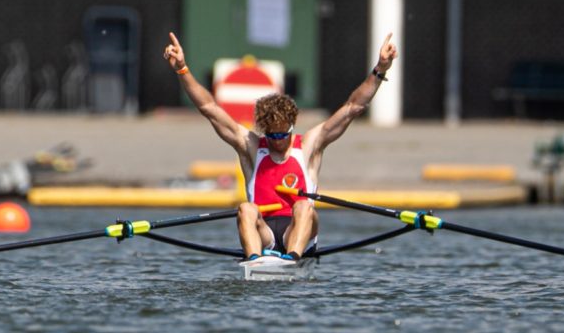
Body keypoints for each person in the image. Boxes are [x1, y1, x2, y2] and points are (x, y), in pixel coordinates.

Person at [163, 31, 398, 265]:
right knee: (246, 208)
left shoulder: (309, 146)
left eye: (282, 134)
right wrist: (182, 70)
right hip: (263, 233)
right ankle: (254, 261)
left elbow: (352, 107)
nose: (277, 140)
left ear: (292, 126)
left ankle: (292, 260)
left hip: (298, 230)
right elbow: (209, 108)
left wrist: (380, 69)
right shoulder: (252, 148)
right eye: (271, 134)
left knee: (304, 206)